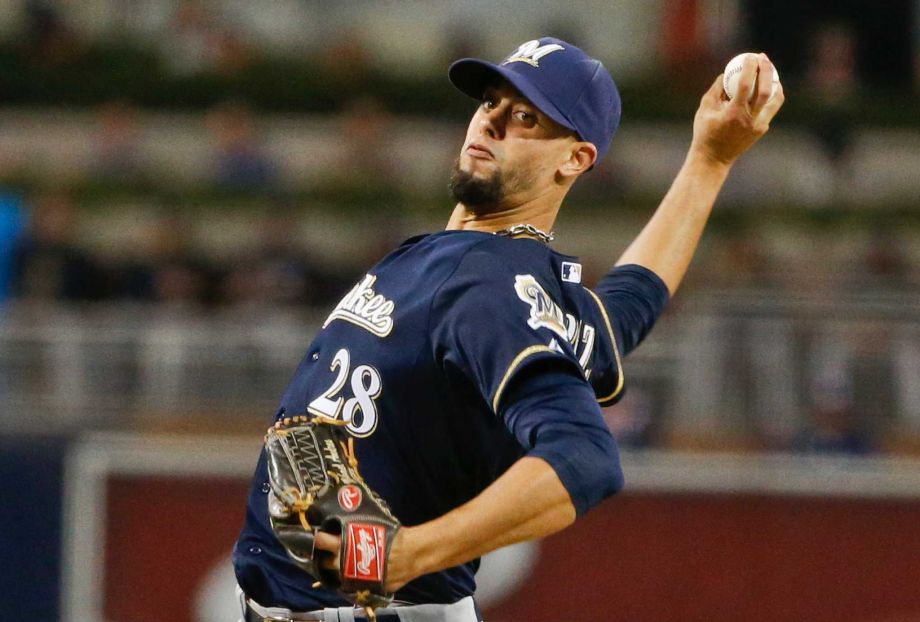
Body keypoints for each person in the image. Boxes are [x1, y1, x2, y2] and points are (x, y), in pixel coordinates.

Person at [234, 37, 783, 622]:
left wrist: (412, 553)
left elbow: (585, 457)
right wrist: (709, 160)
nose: (491, 121)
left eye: (525, 117)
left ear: (574, 158)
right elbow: (624, 310)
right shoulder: (486, 272)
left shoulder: (488, 284)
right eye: (489, 102)